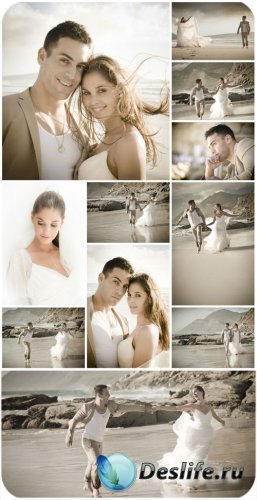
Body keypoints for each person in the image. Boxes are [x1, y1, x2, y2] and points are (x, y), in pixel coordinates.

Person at [3, 21, 92, 180]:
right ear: (42, 56)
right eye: (64, 60)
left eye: (80, 67)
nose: (72, 75)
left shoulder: (82, 128)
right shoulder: (5, 110)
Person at [74, 55, 169, 180]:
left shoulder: (128, 142)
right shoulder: (110, 137)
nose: (92, 101)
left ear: (119, 91)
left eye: (101, 90)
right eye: (86, 93)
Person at [65, 384, 152, 497]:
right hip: (88, 440)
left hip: (99, 442)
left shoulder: (110, 406)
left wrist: (144, 408)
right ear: (99, 395)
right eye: (106, 393)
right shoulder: (88, 407)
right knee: (97, 464)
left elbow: (127, 407)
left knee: (91, 463)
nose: (109, 395)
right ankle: (96, 490)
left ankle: (87, 484)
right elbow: (74, 421)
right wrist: (69, 434)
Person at [5, 191, 80, 305]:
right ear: (32, 217)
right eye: (41, 223)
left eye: (53, 225)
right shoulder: (20, 259)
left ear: (62, 223)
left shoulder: (68, 257)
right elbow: (14, 302)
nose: (46, 231)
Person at [156, 386, 225, 491]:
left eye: (196, 392)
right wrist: (159, 407)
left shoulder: (209, 407)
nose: (195, 394)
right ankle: (189, 481)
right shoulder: (192, 406)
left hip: (207, 435)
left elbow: (215, 417)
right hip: (194, 435)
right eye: (193, 393)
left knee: (200, 457)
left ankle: (192, 478)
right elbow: (176, 408)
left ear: (202, 392)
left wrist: (221, 421)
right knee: (195, 457)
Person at [87, 257, 134, 368]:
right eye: (116, 282)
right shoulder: (83, 312)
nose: (120, 291)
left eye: (124, 287)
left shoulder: (123, 320)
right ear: (101, 278)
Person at [118, 273, 170, 368]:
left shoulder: (147, 331)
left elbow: (137, 374)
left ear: (150, 298)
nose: (131, 300)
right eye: (129, 295)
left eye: (138, 295)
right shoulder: (139, 326)